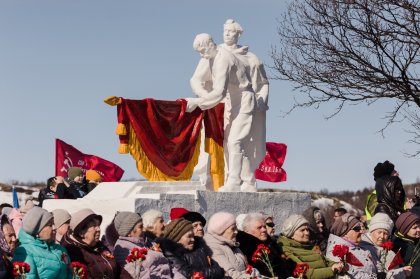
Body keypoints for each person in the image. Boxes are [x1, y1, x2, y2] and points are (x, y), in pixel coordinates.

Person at [186, 33, 259, 192]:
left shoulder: (223, 59)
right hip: (232, 100)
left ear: (211, 44)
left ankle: (234, 181)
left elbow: (219, 92)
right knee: (230, 142)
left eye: (203, 50)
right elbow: (196, 79)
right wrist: (204, 97)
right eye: (199, 52)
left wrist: (198, 102)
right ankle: (249, 181)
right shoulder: (211, 57)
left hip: (244, 99)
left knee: (234, 141)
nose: (202, 55)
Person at [113, 211, 176, 279]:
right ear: (129, 232)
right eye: (140, 227)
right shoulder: (123, 249)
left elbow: (170, 265)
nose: (144, 229)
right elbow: (138, 275)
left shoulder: (148, 241)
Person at [12, 207, 72, 278]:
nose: (54, 228)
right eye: (50, 225)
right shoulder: (26, 252)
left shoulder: (60, 249)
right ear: (37, 229)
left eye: (54, 224)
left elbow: (70, 273)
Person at [278, 214, 343, 279]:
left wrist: (337, 264)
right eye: (302, 230)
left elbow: (325, 261)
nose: (307, 233)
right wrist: (331, 270)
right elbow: (305, 273)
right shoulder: (286, 249)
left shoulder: (309, 245)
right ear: (291, 234)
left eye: (307, 229)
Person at [157, 218, 225, 279]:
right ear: (177, 238)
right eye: (189, 236)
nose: (193, 240)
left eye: (193, 236)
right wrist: (216, 272)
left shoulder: (200, 248)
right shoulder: (171, 253)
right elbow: (188, 274)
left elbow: (217, 267)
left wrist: (217, 271)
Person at [61, 208, 119, 278]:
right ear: (81, 232)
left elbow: (118, 270)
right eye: (94, 226)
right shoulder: (73, 251)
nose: (99, 229)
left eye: (98, 225)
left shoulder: (100, 246)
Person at [237, 213, 293, 278]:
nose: (264, 230)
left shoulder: (271, 243)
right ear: (247, 231)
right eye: (259, 228)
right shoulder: (246, 248)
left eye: (264, 226)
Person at [204, 212, 259, 278]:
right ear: (221, 230)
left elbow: (246, 268)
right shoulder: (213, 248)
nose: (236, 232)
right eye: (233, 229)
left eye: (236, 228)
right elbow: (229, 273)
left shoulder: (232, 244)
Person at [360, 213, 412, 278]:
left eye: (385, 233)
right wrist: (402, 272)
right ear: (371, 231)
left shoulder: (388, 251)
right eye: (379, 232)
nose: (382, 236)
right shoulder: (364, 249)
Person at [326, 213, 377, 278]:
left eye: (360, 227)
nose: (361, 231)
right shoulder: (336, 253)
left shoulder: (358, 245)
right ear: (345, 233)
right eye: (357, 228)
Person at [392, 211, 420, 277]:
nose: (419, 229)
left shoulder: (415, 240)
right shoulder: (400, 247)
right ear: (405, 230)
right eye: (415, 228)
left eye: (419, 226)